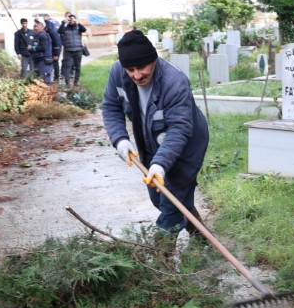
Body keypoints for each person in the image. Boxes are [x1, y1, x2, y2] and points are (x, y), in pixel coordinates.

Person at [102, 30, 209, 238]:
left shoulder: (174, 82)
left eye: (141, 67)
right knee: (160, 198)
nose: (136, 75)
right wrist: (120, 140)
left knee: (172, 202)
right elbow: (110, 107)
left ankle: (162, 263)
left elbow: (179, 129)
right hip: (150, 141)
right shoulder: (118, 72)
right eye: (130, 70)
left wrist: (160, 164)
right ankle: (203, 239)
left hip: (186, 144)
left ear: (154, 60)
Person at [58, 12, 87, 87]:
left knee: (78, 67)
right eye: (70, 19)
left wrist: (77, 22)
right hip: (68, 51)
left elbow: (84, 29)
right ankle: (67, 83)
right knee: (67, 67)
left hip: (78, 50)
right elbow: (59, 31)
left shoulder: (78, 27)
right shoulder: (65, 28)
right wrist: (64, 22)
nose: (71, 20)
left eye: (73, 19)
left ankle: (76, 82)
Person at [30, 18, 54, 83]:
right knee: (38, 82)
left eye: (38, 23)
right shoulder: (36, 36)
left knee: (45, 82)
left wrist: (32, 48)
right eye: (35, 23)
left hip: (44, 62)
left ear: (43, 26)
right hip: (37, 61)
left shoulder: (43, 35)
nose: (35, 25)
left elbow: (43, 47)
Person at [44, 14, 62, 84]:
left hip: (55, 48)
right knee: (50, 62)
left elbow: (57, 41)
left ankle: (56, 78)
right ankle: (51, 78)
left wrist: (56, 54)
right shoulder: (49, 26)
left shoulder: (52, 29)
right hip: (51, 48)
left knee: (55, 62)